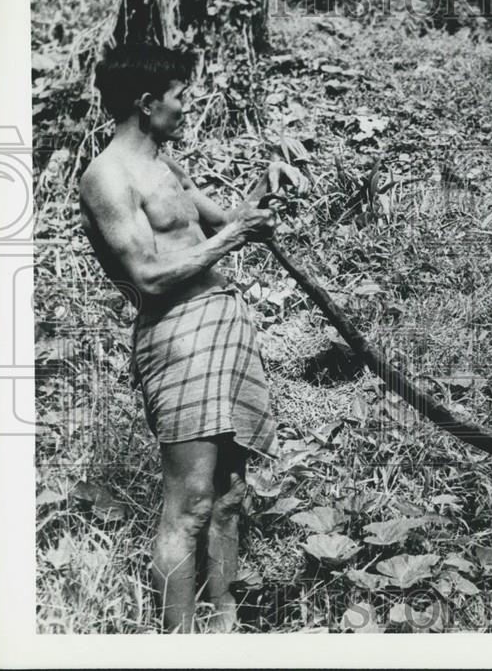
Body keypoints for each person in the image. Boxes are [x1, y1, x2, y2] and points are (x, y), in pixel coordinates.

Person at [79, 44, 304, 632]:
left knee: (230, 495)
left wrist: (264, 185)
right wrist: (232, 239)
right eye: (181, 97)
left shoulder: (166, 166)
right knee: (191, 503)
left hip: (222, 325)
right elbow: (148, 275)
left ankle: (226, 626)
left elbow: (226, 222)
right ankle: (179, 642)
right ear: (148, 103)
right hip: (178, 340)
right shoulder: (108, 174)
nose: (188, 106)